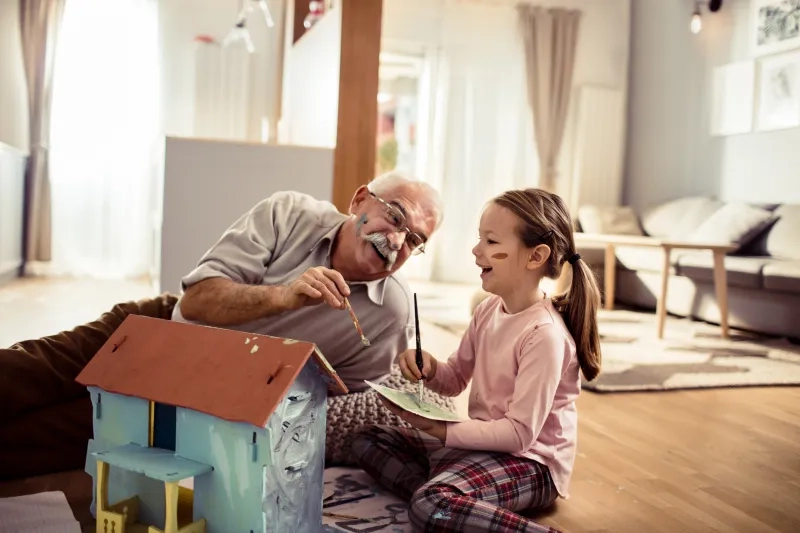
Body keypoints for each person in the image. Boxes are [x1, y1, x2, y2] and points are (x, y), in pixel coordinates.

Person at [351, 188, 602, 532]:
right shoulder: (488, 310)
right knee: (367, 438)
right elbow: (454, 378)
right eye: (479, 239)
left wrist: (440, 430)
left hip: (531, 464)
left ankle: (445, 502)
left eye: (491, 241)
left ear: (535, 256)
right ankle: (455, 502)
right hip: (485, 449)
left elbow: (518, 435)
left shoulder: (544, 334)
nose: (475, 250)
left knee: (430, 506)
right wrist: (430, 367)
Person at [171, 172, 443, 393]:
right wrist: (282, 297)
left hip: (259, 409)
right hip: (180, 366)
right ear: (359, 200)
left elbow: (342, 400)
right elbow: (195, 301)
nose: (396, 241)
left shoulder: (394, 313)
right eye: (394, 217)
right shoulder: (287, 215)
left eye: (413, 240)